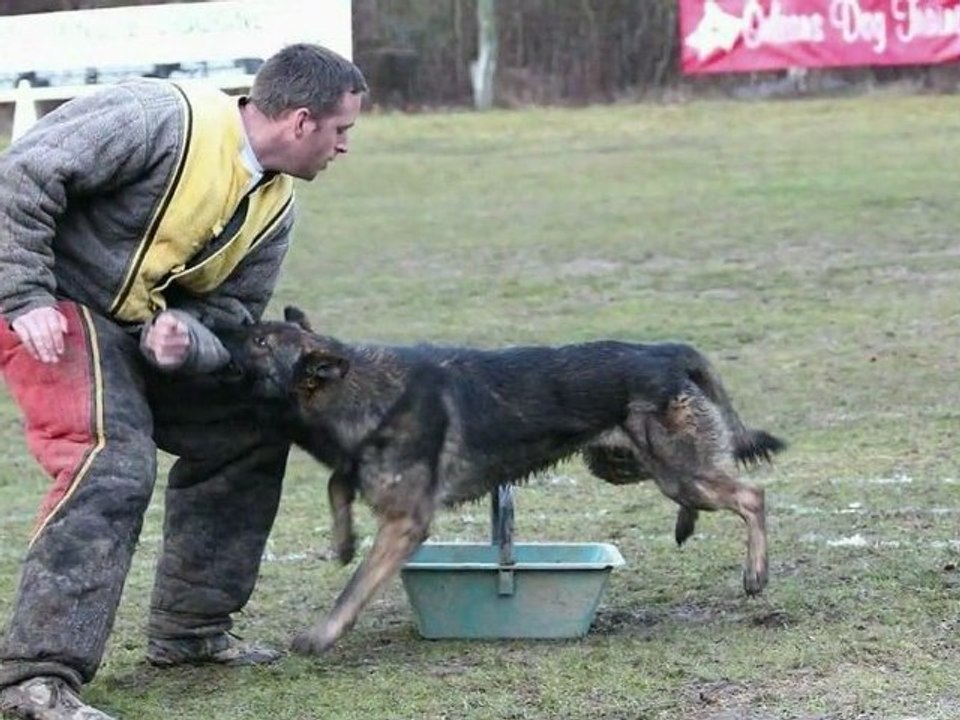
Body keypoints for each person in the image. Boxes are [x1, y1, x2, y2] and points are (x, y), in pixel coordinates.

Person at [0, 43, 367, 720]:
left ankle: (191, 630)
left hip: (133, 330)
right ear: (301, 121)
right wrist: (22, 294)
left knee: (256, 420)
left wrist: (183, 340)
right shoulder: (158, 118)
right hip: (51, 305)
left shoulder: (275, 209)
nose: (344, 146)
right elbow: (19, 175)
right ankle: (34, 677)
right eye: (341, 130)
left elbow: (231, 317)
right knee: (111, 459)